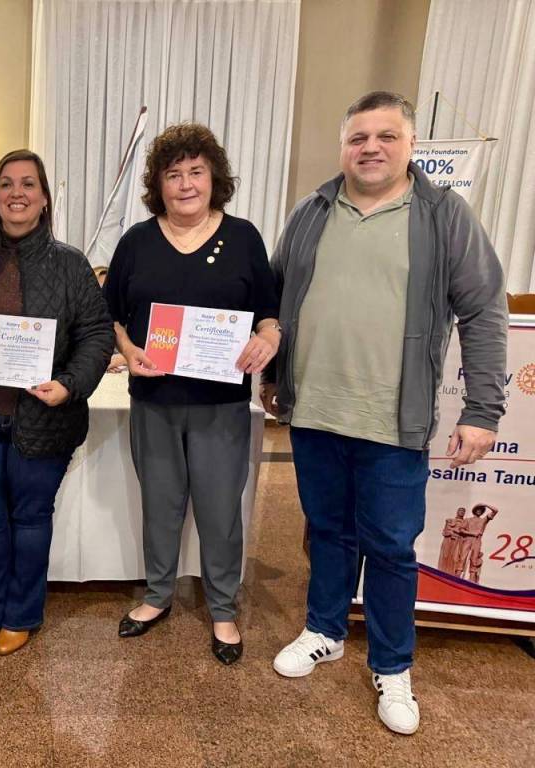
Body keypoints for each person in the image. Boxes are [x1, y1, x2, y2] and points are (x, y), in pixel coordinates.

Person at [263, 92, 508, 735]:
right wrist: (274, 376)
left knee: (393, 548)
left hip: (394, 420)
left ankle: (393, 665)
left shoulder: (444, 215)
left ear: (410, 144)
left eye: (386, 136)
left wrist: (483, 409)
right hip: (315, 411)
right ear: (343, 146)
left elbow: (484, 311)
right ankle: (324, 630)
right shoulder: (312, 211)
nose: (370, 148)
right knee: (326, 530)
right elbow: (278, 300)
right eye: (358, 138)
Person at [103, 123, 280, 665]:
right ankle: (158, 595)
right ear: (158, 184)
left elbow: (269, 313)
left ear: (213, 178)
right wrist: (128, 348)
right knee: (160, 504)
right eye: (173, 174)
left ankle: (223, 607)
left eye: (196, 172)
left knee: (220, 509)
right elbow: (112, 316)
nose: (185, 184)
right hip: (154, 399)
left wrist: (269, 337)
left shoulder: (244, 238)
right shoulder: (136, 242)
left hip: (221, 404)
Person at [0, 149, 114, 656]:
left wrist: (70, 384)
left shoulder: (71, 264)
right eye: (6, 184)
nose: (17, 193)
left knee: (31, 521)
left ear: (44, 198)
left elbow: (97, 335)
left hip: (43, 418)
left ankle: (22, 614)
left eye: (28, 184)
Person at [458, 503, 499, 582]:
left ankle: (472, 580)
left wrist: (485, 505)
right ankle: (457, 576)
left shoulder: (483, 520)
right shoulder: (467, 520)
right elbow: (461, 530)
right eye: (478, 509)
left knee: (474, 560)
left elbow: (496, 510)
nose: (479, 511)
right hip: (468, 540)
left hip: (477, 541)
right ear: (475, 510)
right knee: (462, 558)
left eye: (481, 510)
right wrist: (472, 533)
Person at [437, 507, 467, 574]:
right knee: (445, 556)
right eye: (460, 510)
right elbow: (444, 532)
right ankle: (442, 572)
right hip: (448, 541)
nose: (462, 512)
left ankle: (452, 573)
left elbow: (465, 534)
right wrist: (451, 532)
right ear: (457, 512)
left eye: (463, 511)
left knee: (455, 558)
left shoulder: (465, 522)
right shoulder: (450, 520)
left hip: (458, 541)